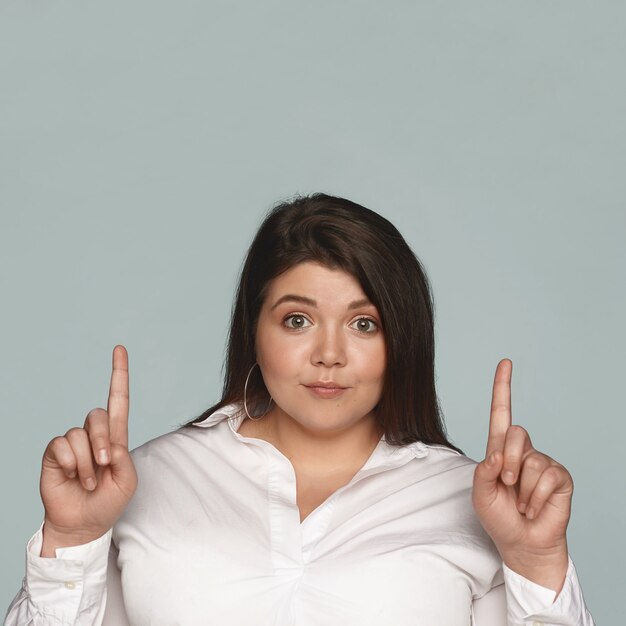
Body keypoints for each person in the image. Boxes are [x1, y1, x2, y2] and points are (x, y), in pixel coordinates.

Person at [5, 193, 595, 625]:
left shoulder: (470, 502)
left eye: (364, 324)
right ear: (253, 331)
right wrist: (72, 537)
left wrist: (535, 560)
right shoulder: (143, 483)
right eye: (297, 320)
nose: (330, 355)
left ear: (402, 342)